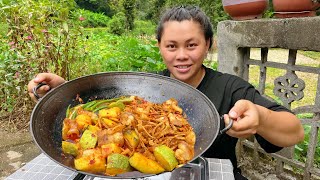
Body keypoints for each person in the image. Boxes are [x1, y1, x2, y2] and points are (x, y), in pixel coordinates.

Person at [27, 6, 304, 179]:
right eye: (171, 46)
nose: (182, 56)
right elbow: (97, 96)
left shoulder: (231, 88)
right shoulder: (150, 88)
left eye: (192, 45)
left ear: (208, 44)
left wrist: (261, 117)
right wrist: (61, 89)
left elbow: (294, 131)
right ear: (159, 46)